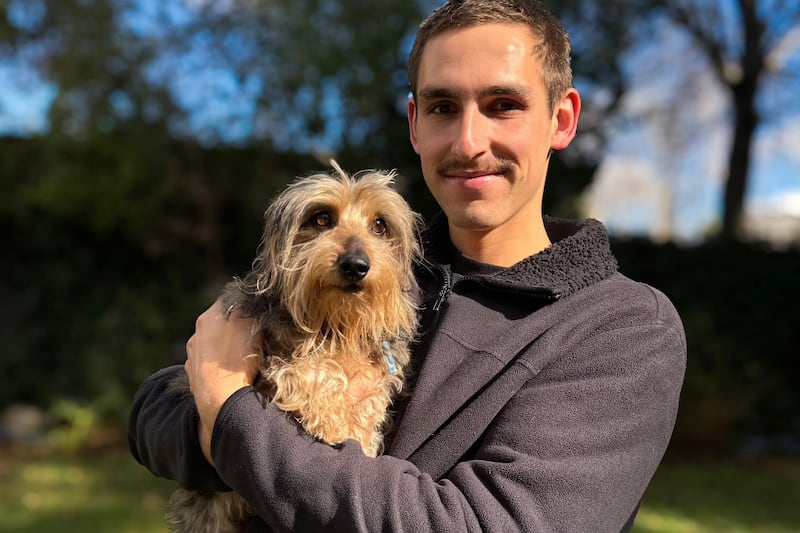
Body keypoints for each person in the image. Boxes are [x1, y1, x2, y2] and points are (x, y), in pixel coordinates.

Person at [129, 1, 687, 531]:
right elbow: (152, 411)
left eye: (503, 105)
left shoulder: (622, 327)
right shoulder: (370, 275)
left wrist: (230, 414)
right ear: (415, 124)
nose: (469, 142)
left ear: (561, 120)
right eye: (444, 107)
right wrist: (212, 418)